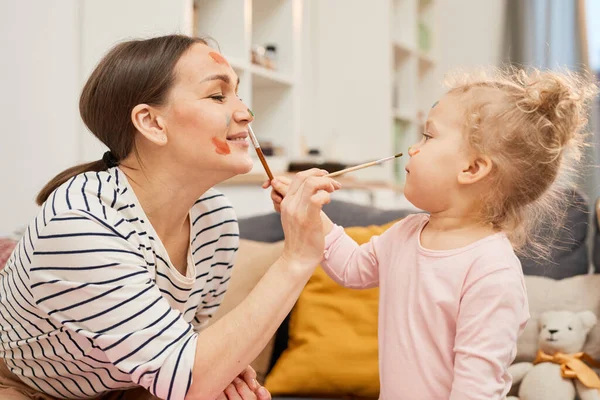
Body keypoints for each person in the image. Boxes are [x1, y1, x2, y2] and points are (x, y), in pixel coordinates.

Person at [0, 34, 341, 400]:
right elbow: (188, 381)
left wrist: (219, 366)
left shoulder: (216, 223)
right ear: (151, 122)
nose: (245, 113)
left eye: (238, 93)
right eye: (217, 95)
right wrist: (297, 257)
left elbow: (178, 357)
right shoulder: (79, 224)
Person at [266, 67, 598, 399]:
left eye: (428, 136)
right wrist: (309, 214)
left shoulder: (491, 270)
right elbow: (351, 268)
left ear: (471, 169)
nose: (412, 149)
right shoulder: (406, 233)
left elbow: (474, 389)